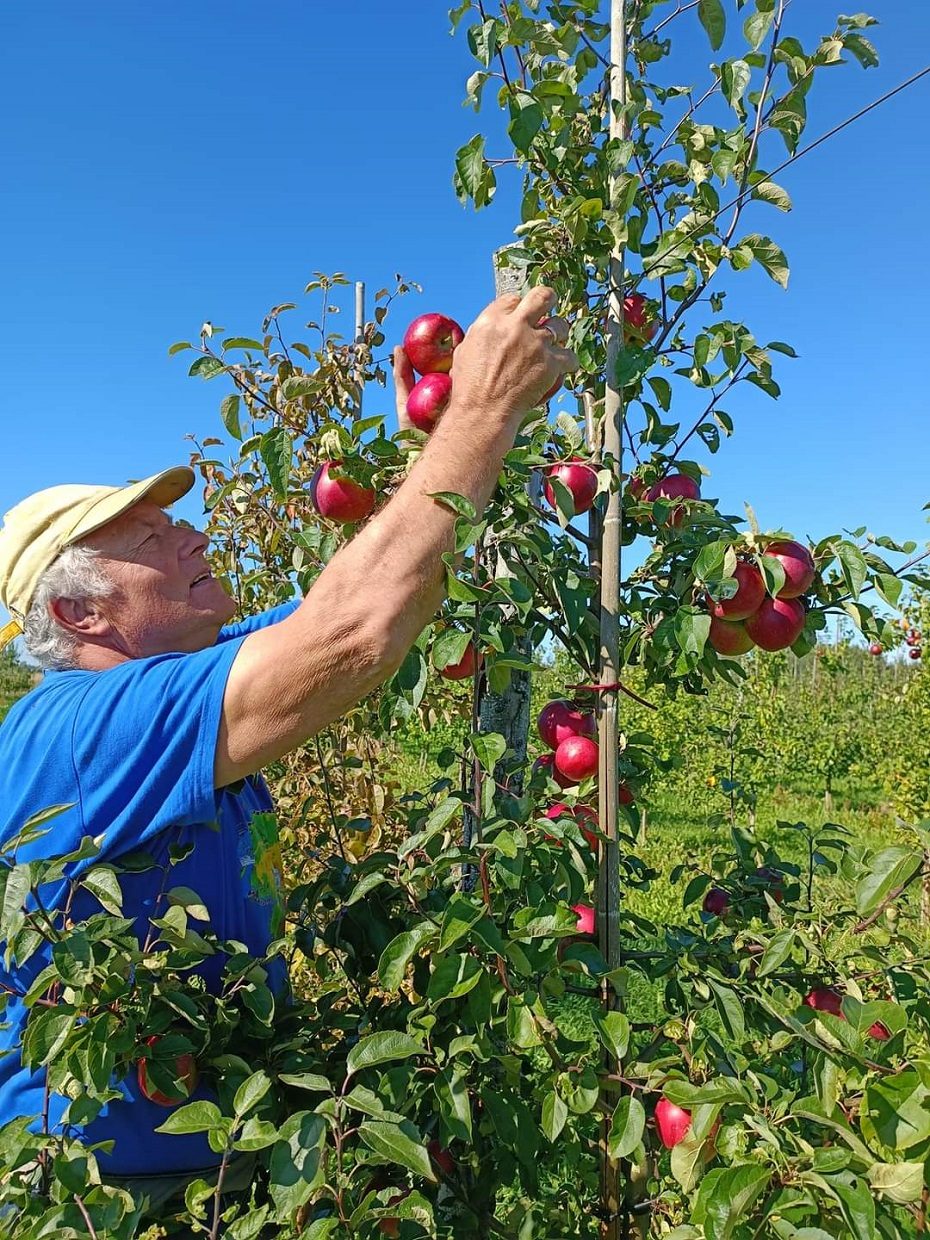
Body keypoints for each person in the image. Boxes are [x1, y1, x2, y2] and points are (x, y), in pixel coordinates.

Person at [0, 288, 575, 1209]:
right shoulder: (78, 728)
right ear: (82, 612)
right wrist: (478, 412)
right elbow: (351, 635)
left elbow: (391, 599)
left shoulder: (193, 677)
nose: (192, 532)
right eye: (153, 535)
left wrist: (437, 441)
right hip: (98, 1194)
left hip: (224, 1164)